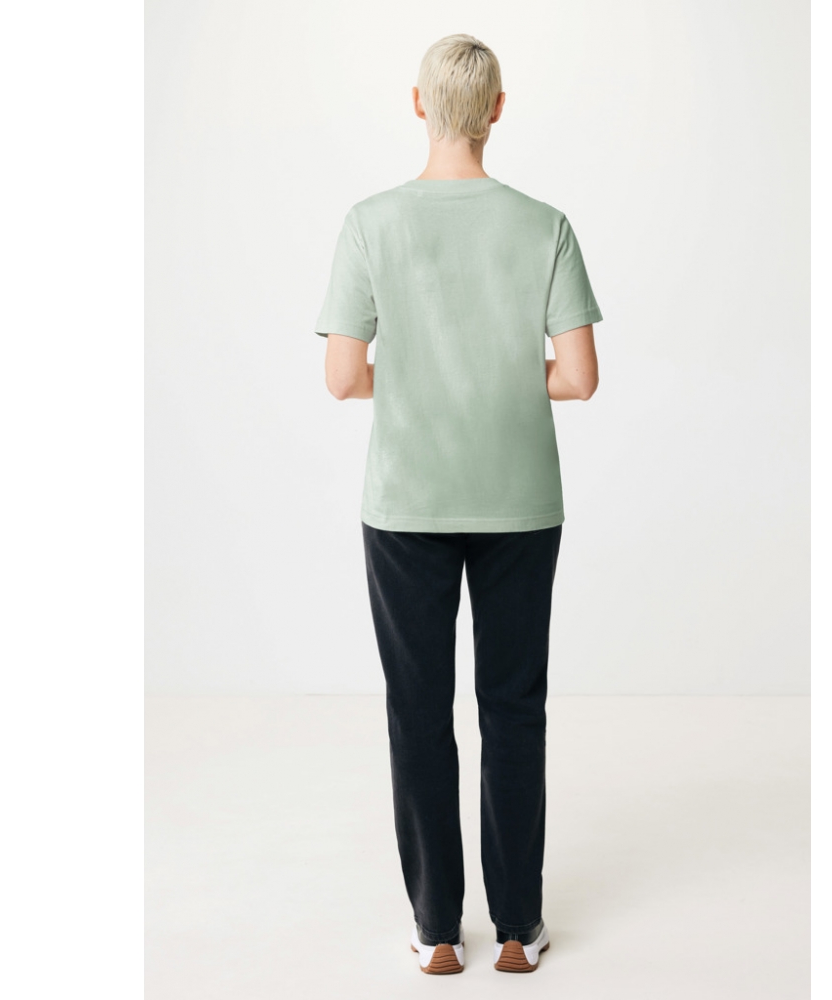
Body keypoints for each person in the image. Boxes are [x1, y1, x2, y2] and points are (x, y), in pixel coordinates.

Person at [313, 33, 602, 975]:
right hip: (520, 500)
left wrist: (420, 377)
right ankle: (518, 926)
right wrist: (501, 374)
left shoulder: (371, 223)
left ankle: (438, 928)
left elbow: (342, 377)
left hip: (407, 500)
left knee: (418, 709)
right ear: (497, 110)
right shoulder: (545, 224)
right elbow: (579, 378)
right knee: (514, 707)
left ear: (417, 104)